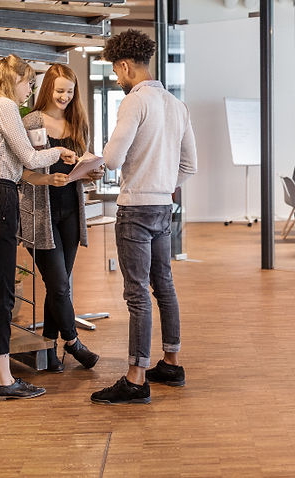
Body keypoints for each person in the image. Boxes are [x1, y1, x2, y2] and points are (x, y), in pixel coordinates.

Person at [91, 30, 197, 405]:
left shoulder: (135, 102)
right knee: (163, 285)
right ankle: (171, 362)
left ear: (124, 65)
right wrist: (165, 184)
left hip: (135, 208)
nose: (118, 80)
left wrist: (96, 163)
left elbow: (114, 158)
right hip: (163, 207)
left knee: (136, 294)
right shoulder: (176, 104)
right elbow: (190, 165)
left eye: (117, 73)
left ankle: (136, 379)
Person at [0, 54, 76, 401]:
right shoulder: (6, 107)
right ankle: (3, 379)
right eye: (28, 82)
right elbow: (30, 158)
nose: (30, 90)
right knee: (1, 293)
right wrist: (61, 154)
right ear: (15, 80)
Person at [20, 63, 105, 372]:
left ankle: (48, 349)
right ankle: (73, 343)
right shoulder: (31, 121)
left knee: (60, 285)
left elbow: (81, 165)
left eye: (70, 92)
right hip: (40, 214)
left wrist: (92, 171)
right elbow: (22, 171)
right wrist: (45, 179)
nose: (65, 97)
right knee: (58, 284)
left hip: (70, 211)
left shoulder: (76, 121)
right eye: (59, 91)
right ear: (47, 90)